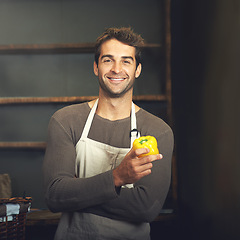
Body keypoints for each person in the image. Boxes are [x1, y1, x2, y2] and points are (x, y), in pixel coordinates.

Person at [43, 27, 174, 240]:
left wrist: (79, 192)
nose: (116, 69)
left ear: (137, 70)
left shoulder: (158, 130)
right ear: (96, 67)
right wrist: (118, 177)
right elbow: (55, 196)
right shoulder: (66, 120)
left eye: (126, 61)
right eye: (108, 60)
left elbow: (146, 208)